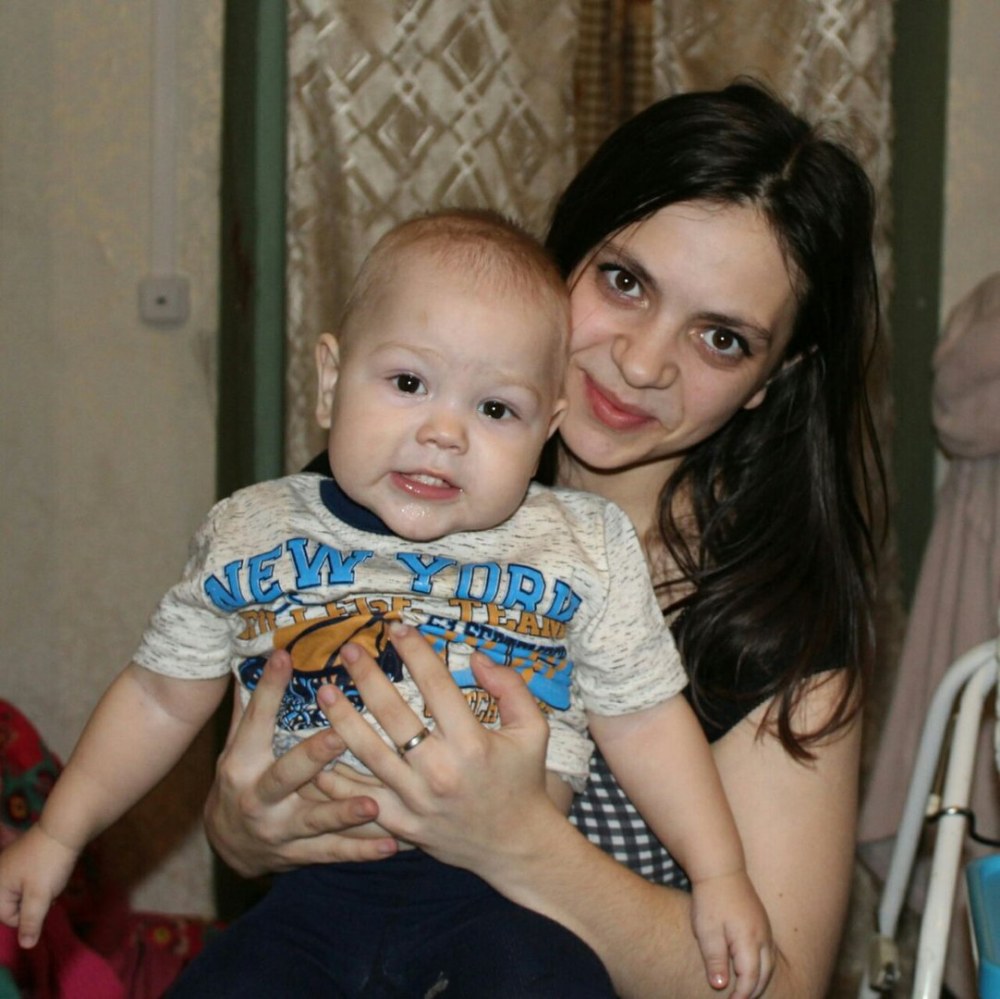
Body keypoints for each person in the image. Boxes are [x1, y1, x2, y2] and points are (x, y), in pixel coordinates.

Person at [203, 80, 884, 998]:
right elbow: (257, 828)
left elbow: (782, 987)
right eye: (625, 281)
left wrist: (518, 842)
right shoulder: (394, 485)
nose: (642, 362)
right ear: (565, 251)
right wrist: (240, 828)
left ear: (773, 377)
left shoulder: (780, 638)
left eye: (721, 338)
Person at [0, 210, 772, 997]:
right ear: (330, 380)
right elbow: (158, 695)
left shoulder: (581, 547)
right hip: (311, 897)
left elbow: (645, 719)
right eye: (408, 383)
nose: (444, 432)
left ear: (548, 426)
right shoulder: (252, 533)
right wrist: (59, 832)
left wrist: (720, 872)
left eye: (495, 409)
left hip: (507, 904)